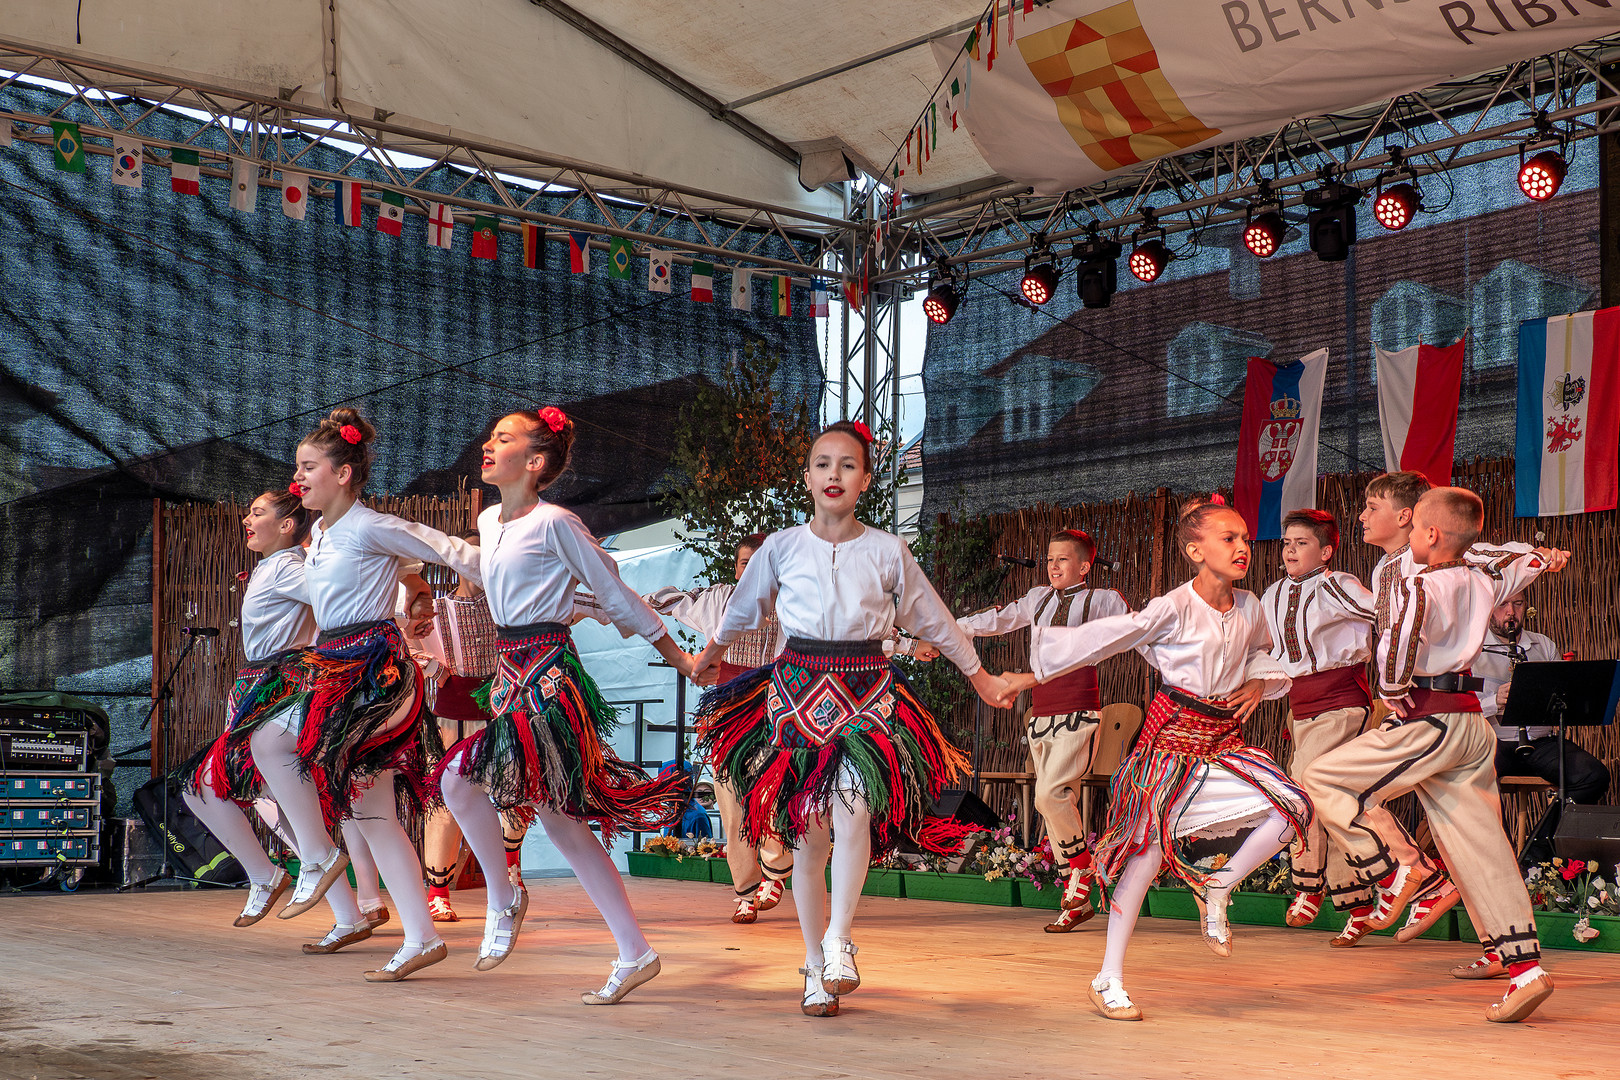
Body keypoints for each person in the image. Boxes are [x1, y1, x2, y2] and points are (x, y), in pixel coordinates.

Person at [691, 420, 1013, 1018]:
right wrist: (706, 658)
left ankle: (840, 939)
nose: (833, 474)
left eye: (846, 465)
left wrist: (982, 676)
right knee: (809, 838)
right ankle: (815, 968)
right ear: (807, 477)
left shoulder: (888, 550)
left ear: (865, 479)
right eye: (822, 464)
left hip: (866, 690)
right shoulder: (782, 547)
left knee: (856, 808)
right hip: (796, 691)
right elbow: (738, 614)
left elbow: (936, 621)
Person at [1003, 495, 1309, 1022]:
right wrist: (1032, 676)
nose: (1242, 547)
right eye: (1228, 538)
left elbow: (1264, 653)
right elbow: (1108, 638)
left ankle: (1218, 884)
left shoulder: (1252, 607)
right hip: (1168, 746)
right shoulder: (1174, 605)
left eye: (1244, 539)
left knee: (1293, 808)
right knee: (1144, 859)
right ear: (1195, 550)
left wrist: (1261, 679)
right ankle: (1108, 977)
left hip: (1222, 743)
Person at [434, 407, 690, 1003]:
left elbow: (613, 591)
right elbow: (489, 573)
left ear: (536, 461)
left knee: (494, 793)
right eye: (490, 434)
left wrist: (677, 657)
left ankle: (524, 905)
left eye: (504, 438)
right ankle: (627, 948)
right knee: (492, 794)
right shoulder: (489, 519)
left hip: (548, 675)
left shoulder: (558, 523)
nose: (488, 445)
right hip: (507, 675)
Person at [1303, 487, 1567, 1023]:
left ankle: (1400, 867)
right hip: (1473, 722)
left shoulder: (1414, 582)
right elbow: (1517, 558)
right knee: (1482, 847)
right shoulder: (1484, 574)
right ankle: (1525, 969)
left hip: (1431, 715)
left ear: (1427, 532)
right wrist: (1544, 557)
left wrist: (1394, 690)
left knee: (1325, 777)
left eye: (1419, 526)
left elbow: (1397, 643)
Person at [249, 408, 481, 982]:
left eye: (309, 467)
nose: (297, 478)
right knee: (372, 810)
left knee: (269, 741)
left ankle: (321, 857)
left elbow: (443, 548)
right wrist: (417, 588)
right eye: (297, 468)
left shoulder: (371, 524)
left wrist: (514, 564)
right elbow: (403, 568)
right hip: (336, 661)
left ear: (344, 473)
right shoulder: (324, 534)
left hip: (368, 668)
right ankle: (420, 937)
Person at [177, 490, 388, 945]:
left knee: (205, 783)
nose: (246, 520)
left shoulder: (289, 567)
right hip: (259, 688)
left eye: (258, 512)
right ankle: (344, 912)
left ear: (289, 524)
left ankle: (271, 874)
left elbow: (334, 595)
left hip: (282, 686)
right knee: (271, 806)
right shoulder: (272, 567)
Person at [1256, 508, 1457, 941]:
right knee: (1332, 803)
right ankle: (1359, 902)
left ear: (1326, 550)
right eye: (1286, 542)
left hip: (1341, 703)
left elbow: (1384, 614)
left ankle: (1331, 885)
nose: (1290, 549)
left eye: (1302, 543)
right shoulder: (1271, 593)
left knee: (1306, 793)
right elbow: (1265, 649)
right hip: (1301, 707)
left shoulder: (1337, 584)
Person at [953, 528, 1129, 932]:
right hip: (1041, 716)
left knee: (1051, 795)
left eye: (1063, 559)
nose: (1053, 565)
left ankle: (1083, 870)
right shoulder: (1036, 599)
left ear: (1085, 566)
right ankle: (1077, 893)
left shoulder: (1103, 600)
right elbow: (999, 619)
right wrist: (954, 628)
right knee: (1048, 800)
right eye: (1049, 558)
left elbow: (1131, 632)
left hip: (1079, 712)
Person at [642, 534, 794, 924]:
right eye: (745, 562)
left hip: (773, 710)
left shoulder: (793, 604)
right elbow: (666, 601)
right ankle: (744, 889)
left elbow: (842, 632)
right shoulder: (719, 600)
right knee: (730, 804)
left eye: (759, 562)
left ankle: (775, 871)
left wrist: (910, 649)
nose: (750, 569)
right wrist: (618, 602)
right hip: (725, 714)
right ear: (736, 567)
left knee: (769, 791)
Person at [1349, 471, 1458, 942]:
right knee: (1459, 823)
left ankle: (1413, 870)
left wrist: (1394, 688)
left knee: (1347, 784)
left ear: (1405, 516)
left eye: (1372, 507)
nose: (1362, 516)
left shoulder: (1413, 566)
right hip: (1425, 702)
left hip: (1425, 703)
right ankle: (1503, 945)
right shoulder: (1387, 568)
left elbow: (1407, 633)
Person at [415, 532, 529, 923]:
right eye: (467, 555)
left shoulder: (506, 606)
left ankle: (511, 868)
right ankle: (438, 891)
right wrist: (433, 668)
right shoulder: (436, 609)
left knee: (513, 790)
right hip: (451, 715)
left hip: (502, 713)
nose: (474, 563)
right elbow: (399, 639)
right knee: (444, 800)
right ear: (453, 561)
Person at [1475, 591, 1610, 862]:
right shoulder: (1472, 650)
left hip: (1539, 742)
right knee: (1475, 782)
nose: (1510, 612)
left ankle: (1536, 853)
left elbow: (1565, 696)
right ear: (1488, 608)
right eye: (1502, 604)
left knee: (1593, 775)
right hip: (1492, 740)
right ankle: (1499, 859)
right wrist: (1494, 701)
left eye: (1518, 604)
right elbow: (1459, 707)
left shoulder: (1542, 645)